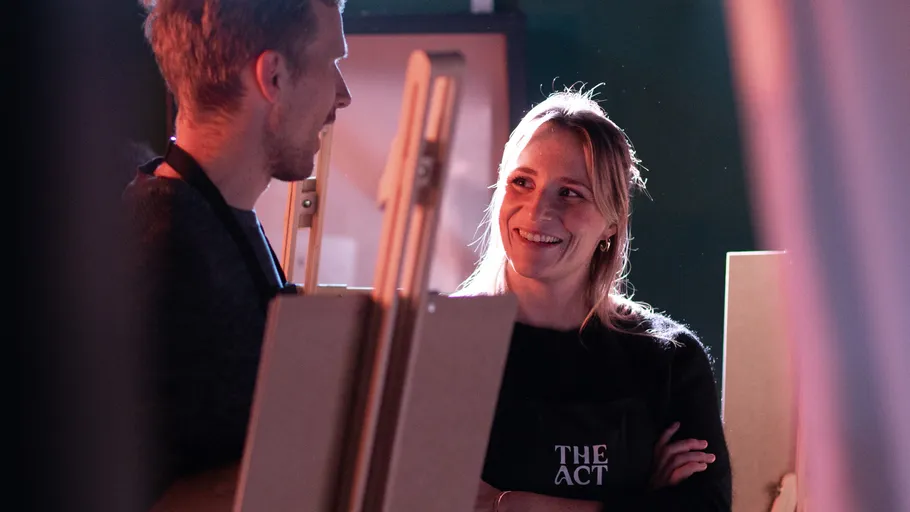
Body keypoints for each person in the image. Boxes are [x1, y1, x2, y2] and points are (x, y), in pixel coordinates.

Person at [122, 0, 351, 507]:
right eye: (331, 63)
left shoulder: (215, 221)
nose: (343, 95)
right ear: (273, 75)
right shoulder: (160, 255)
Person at [459, 90, 732, 511]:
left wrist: (514, 505)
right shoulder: (440, 342)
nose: (536, 212)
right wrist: (639, 500)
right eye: (522, 182)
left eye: (570, 192)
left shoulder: (668, 359)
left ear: (611, 221)